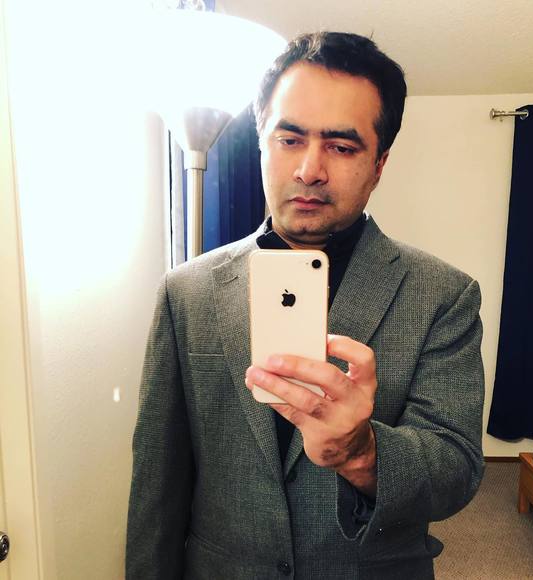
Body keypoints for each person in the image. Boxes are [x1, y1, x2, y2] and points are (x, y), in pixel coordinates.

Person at [126, 32, 484, 580]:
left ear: (380, 163)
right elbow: (158, 476)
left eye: (342, 147)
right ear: (262, 143)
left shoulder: (443, 295)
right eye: (289, 138)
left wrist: (362, 452)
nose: (309, 170)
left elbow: (456, 472)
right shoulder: (186, 291)